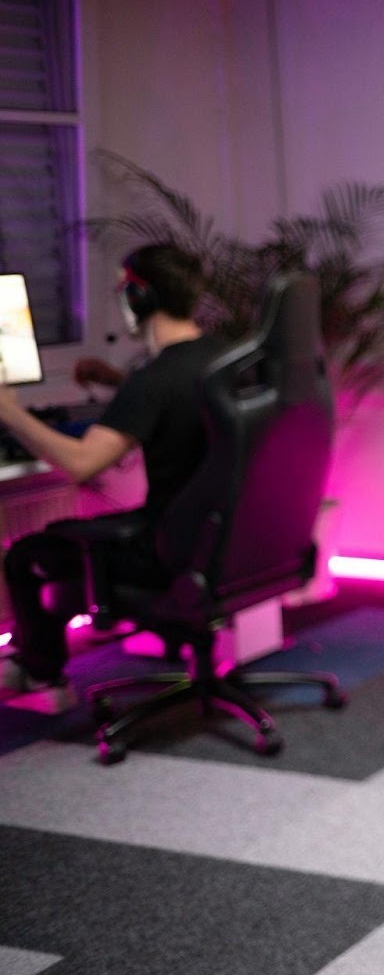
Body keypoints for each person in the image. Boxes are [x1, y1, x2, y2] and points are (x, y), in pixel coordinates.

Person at [0, 243, 223, 712]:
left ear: (139, 297)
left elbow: (82, 464)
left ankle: (43, 677)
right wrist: (118, 384)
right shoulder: (224, 361)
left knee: (28, 555)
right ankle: (30, 659)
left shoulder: (155, 379)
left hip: (166, 554)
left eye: (123, 290)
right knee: (64, 536)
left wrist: (10, 413)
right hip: (220, 543)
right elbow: (178, 402)